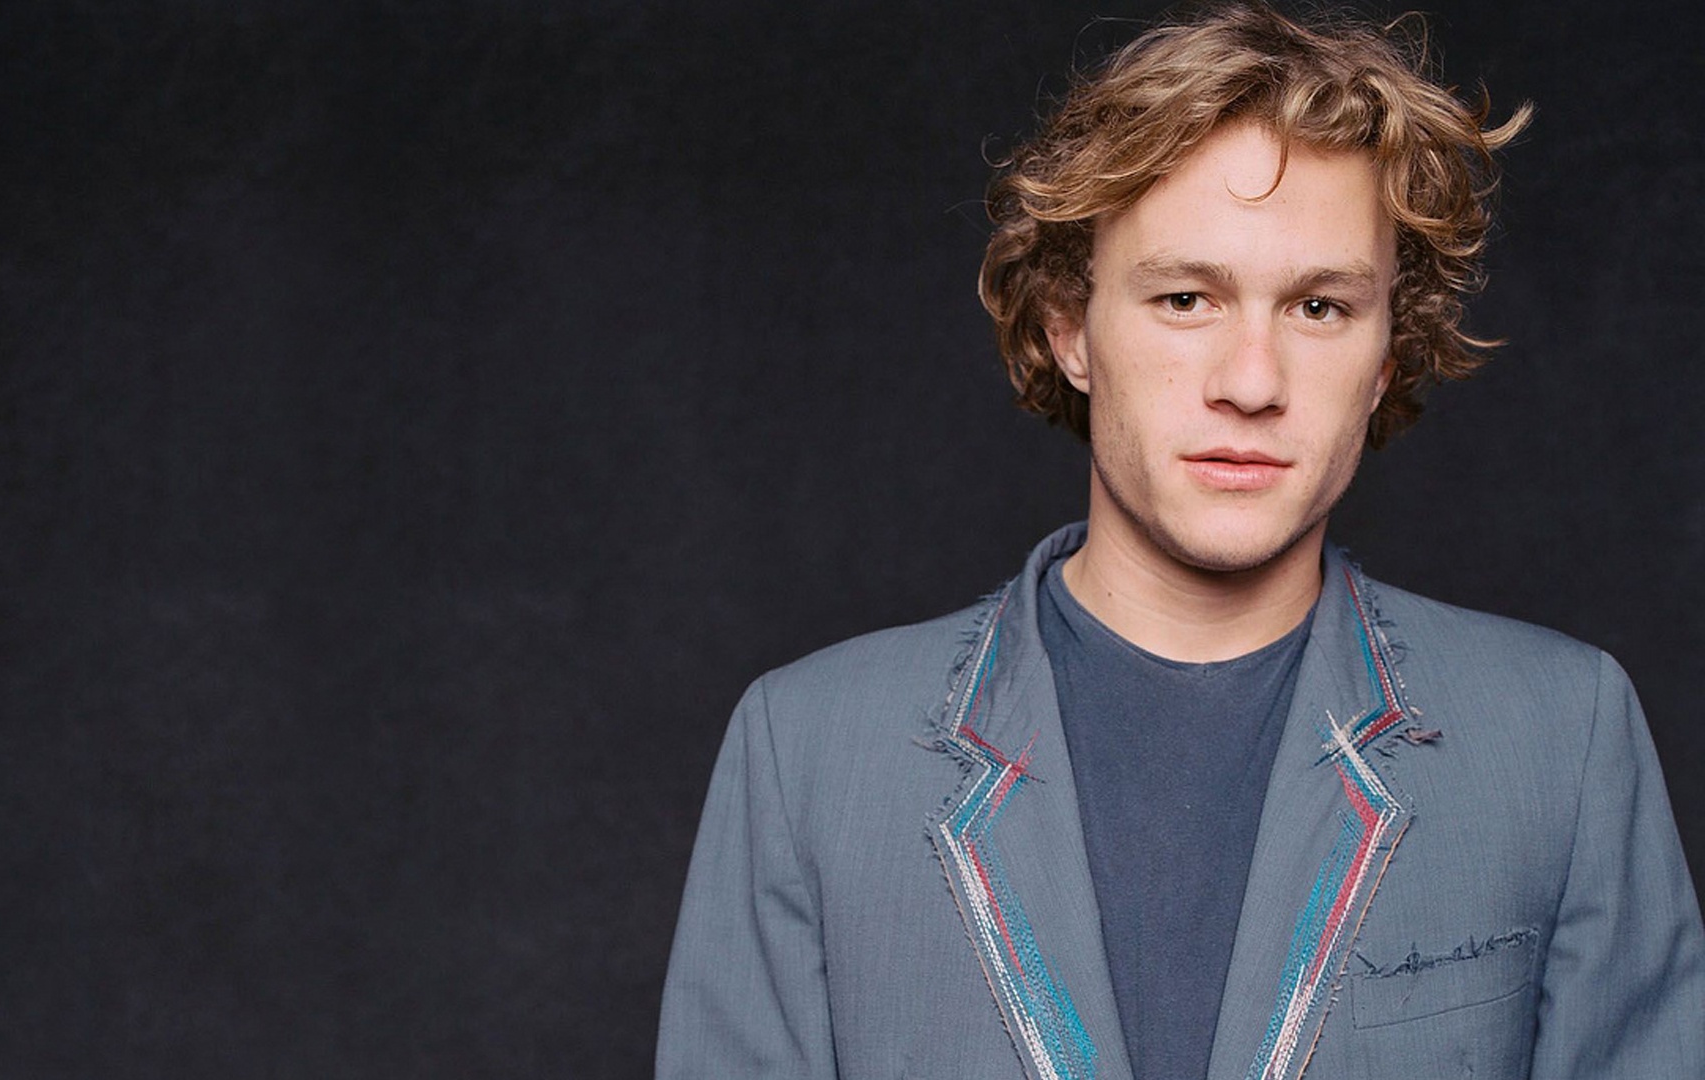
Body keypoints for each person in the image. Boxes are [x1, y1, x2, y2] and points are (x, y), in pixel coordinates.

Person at [655, 4, 1705, 1079]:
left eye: (1320, 308)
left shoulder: (1563, 736)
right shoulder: (809, 752)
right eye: (1186, 297)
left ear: (1387, 357)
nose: (1251, 382)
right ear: (1070, 330)